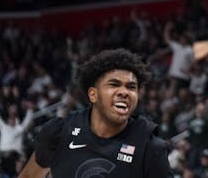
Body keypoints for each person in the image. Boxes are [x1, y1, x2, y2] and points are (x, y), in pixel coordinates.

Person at [17, 48, 169, 178]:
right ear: (93, 95)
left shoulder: (150, 148)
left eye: (131, 87)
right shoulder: (59, 133)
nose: (124, 92)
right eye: (114, 84)